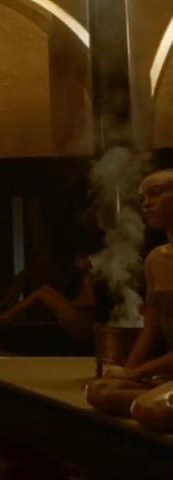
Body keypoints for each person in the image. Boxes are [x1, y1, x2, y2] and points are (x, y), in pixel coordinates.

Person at [86, 170, 173, 428]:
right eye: (143, 197)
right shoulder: (156, 260)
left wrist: (135, 373)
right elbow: (152, 328)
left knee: (148, 409)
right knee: (99, 391)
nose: (146, 203)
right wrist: (125, 375)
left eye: (155, 193)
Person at [0, 252, 99, 340]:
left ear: (87, 260)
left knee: (41, 294)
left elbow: (90, 302)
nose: (75, 263)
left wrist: (70, 304)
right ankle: (10, 313)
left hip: (81, 321)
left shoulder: (88, 278)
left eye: (78, 260)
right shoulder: (84, 277)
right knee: (45, 289)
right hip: (78, 314)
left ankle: (10, 314)